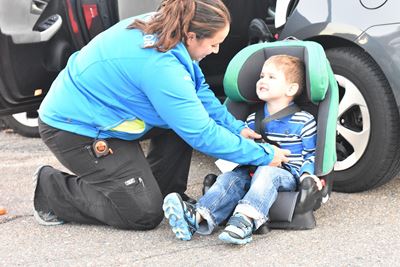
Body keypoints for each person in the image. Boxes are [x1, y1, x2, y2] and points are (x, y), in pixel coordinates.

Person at [33, 0, 290, 230]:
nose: (216, 51)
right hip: (75, 129)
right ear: (192, 36)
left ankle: (164, 193)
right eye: (213, 44)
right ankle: (50, 189)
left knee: (179, 130)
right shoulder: (161, 65)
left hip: (113, 114)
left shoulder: (170, 29)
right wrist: (263, 156)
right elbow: (202, 134)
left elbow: (196, 89)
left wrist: (234, 127)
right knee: (142, 213)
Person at [163, 54, 322, 244]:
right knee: (230, 179)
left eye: (272, 77)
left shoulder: (304, 120)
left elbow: (311, 154)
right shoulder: (252, 121)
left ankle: (245, 219)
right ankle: (197, 217)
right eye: (262, 76)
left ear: (291, 88)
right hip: (252, 171)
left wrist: (307, 175)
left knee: (266, 171)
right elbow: (245, 151)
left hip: (287, 175)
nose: (263, 80)